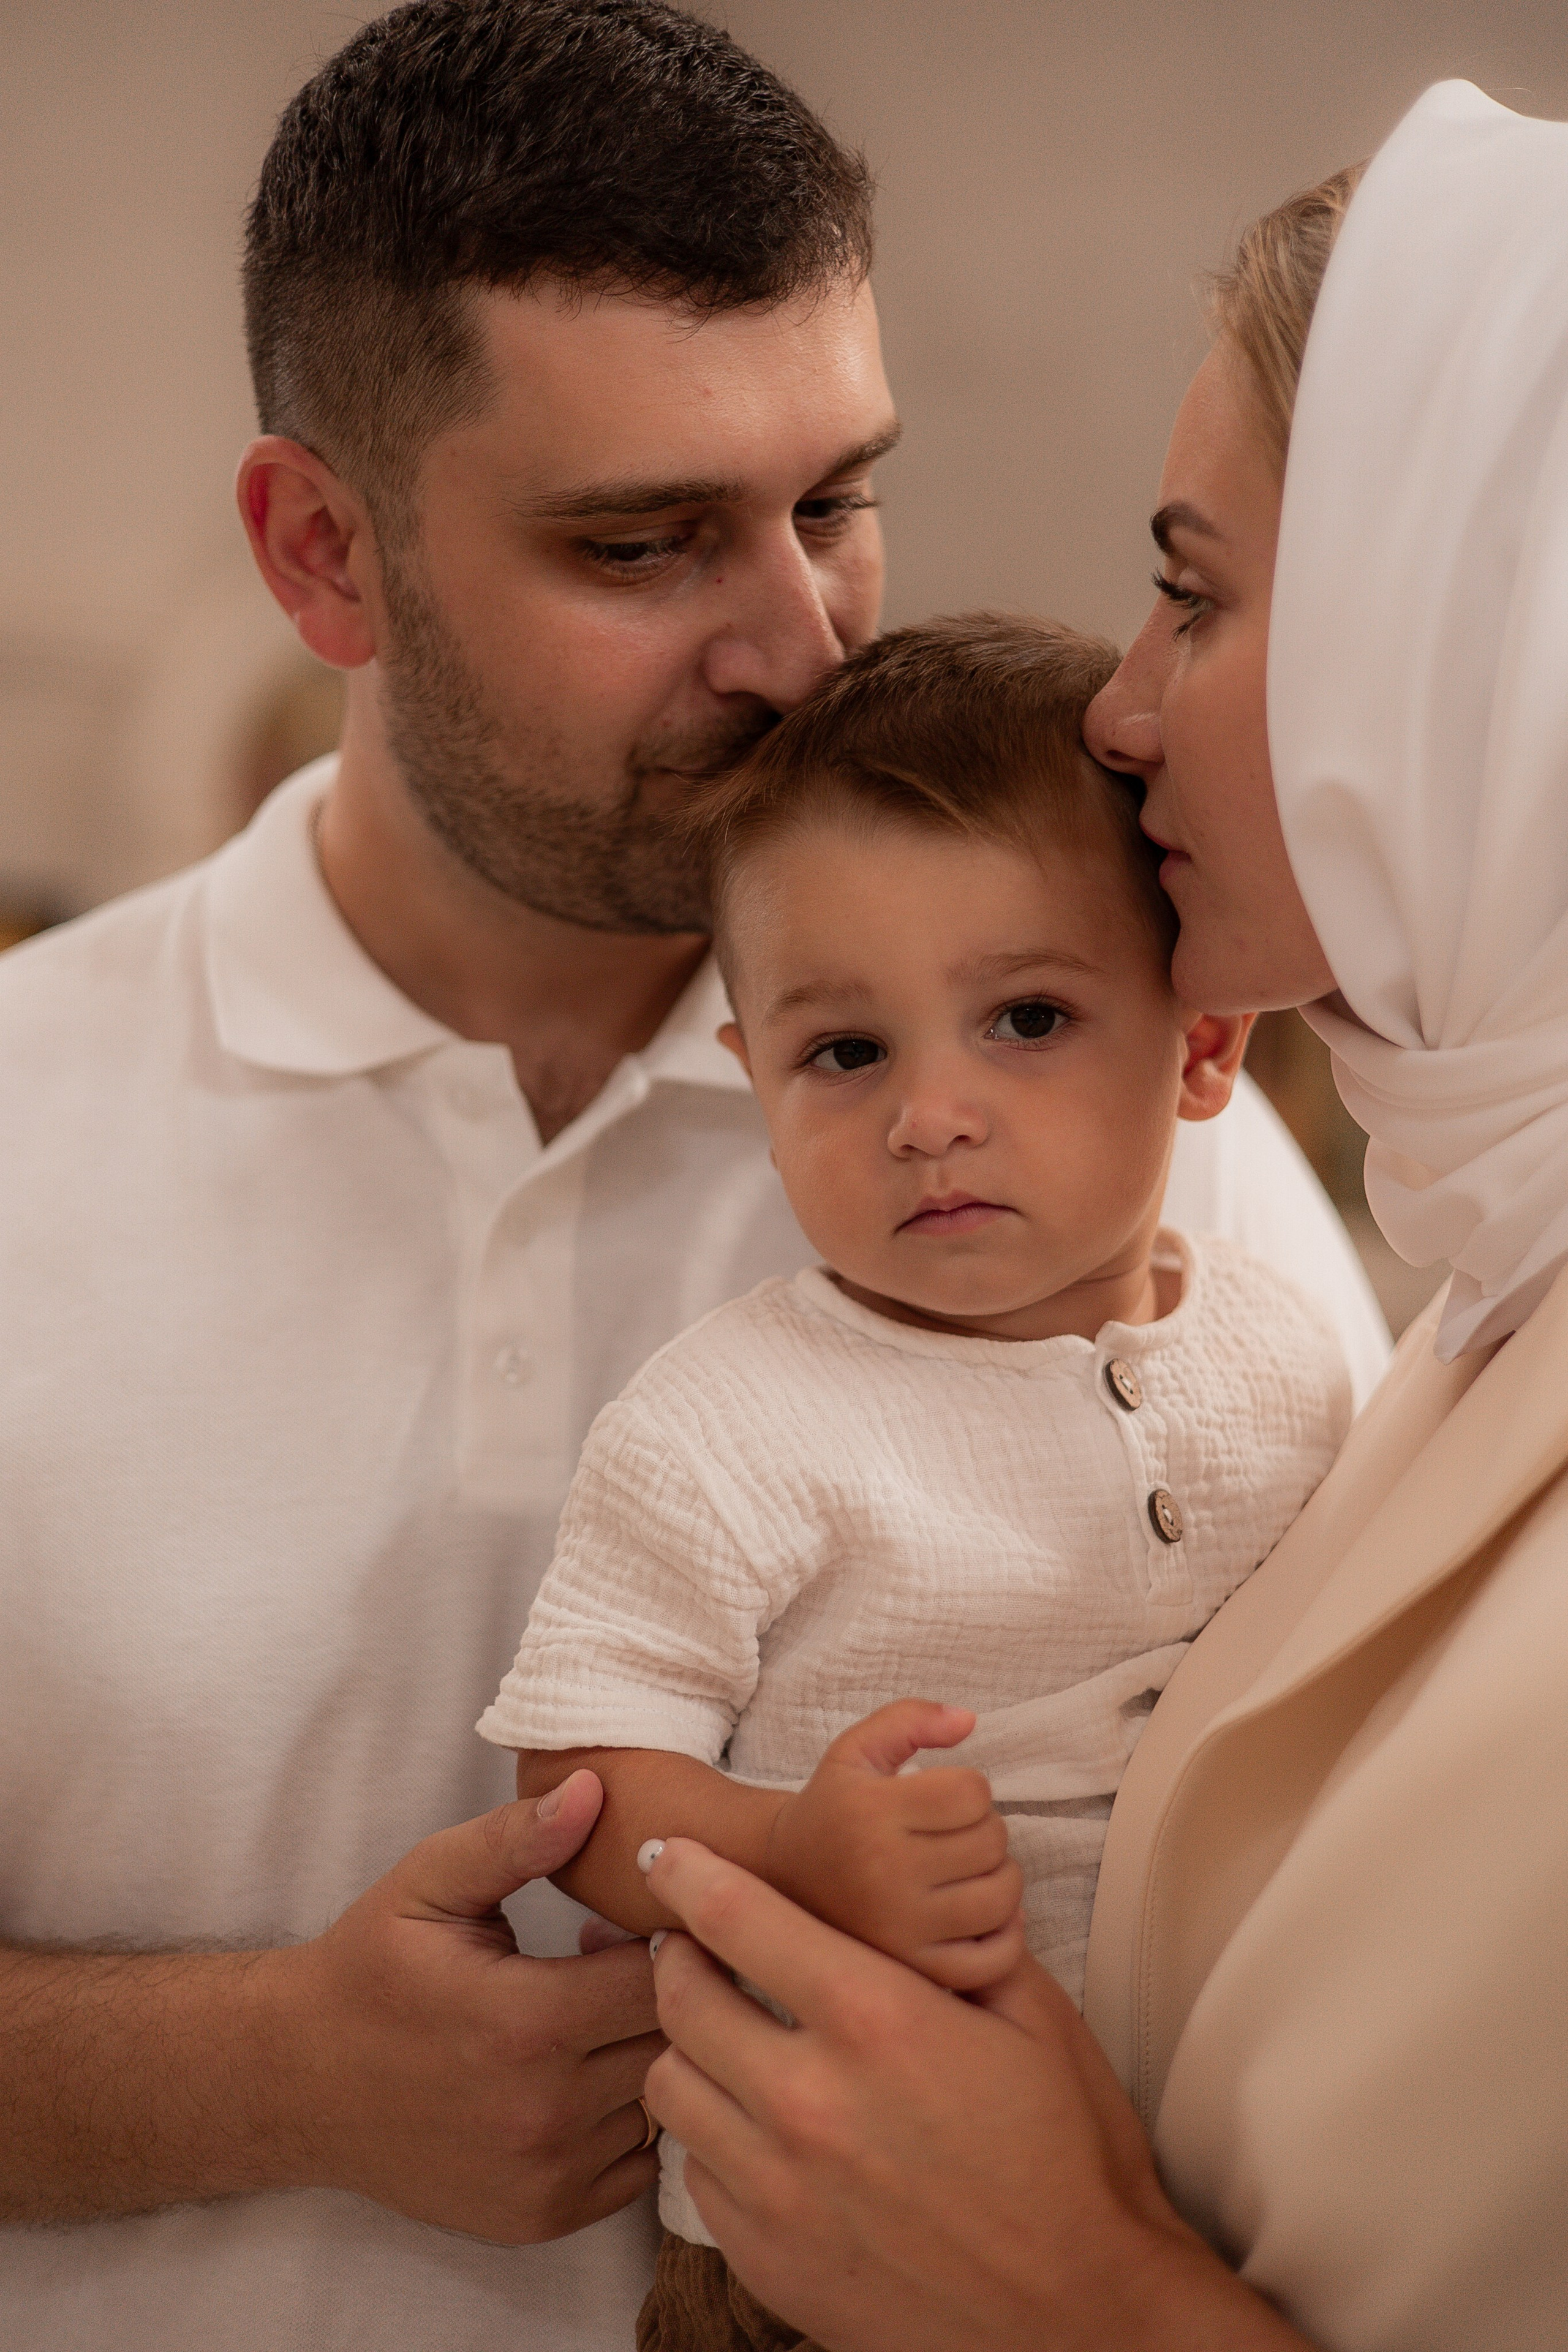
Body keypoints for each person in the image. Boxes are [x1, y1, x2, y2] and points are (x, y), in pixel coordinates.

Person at [0, 4, 1385, 2348]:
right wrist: (268, 2079)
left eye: (835, 496)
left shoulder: (1138, 1156)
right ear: (322, 550)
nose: (799, 640)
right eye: (640, 541)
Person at [634, 77, 1568, 2351]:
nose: (1121, 714)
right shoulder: (1484, 1280)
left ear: (1482, 659)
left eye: (1196, 594)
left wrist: (1077, 2295)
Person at [481, 612, 1352, 2352]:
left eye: (1026, 1017)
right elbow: (575, 1768)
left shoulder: (1290, 1357)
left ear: (1201, 1047)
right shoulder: (733, 1419)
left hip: (1224, 2212)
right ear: (758, 1081)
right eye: (848, 1052)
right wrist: (787, 1851)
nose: (930, 1114)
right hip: (817, 2247)